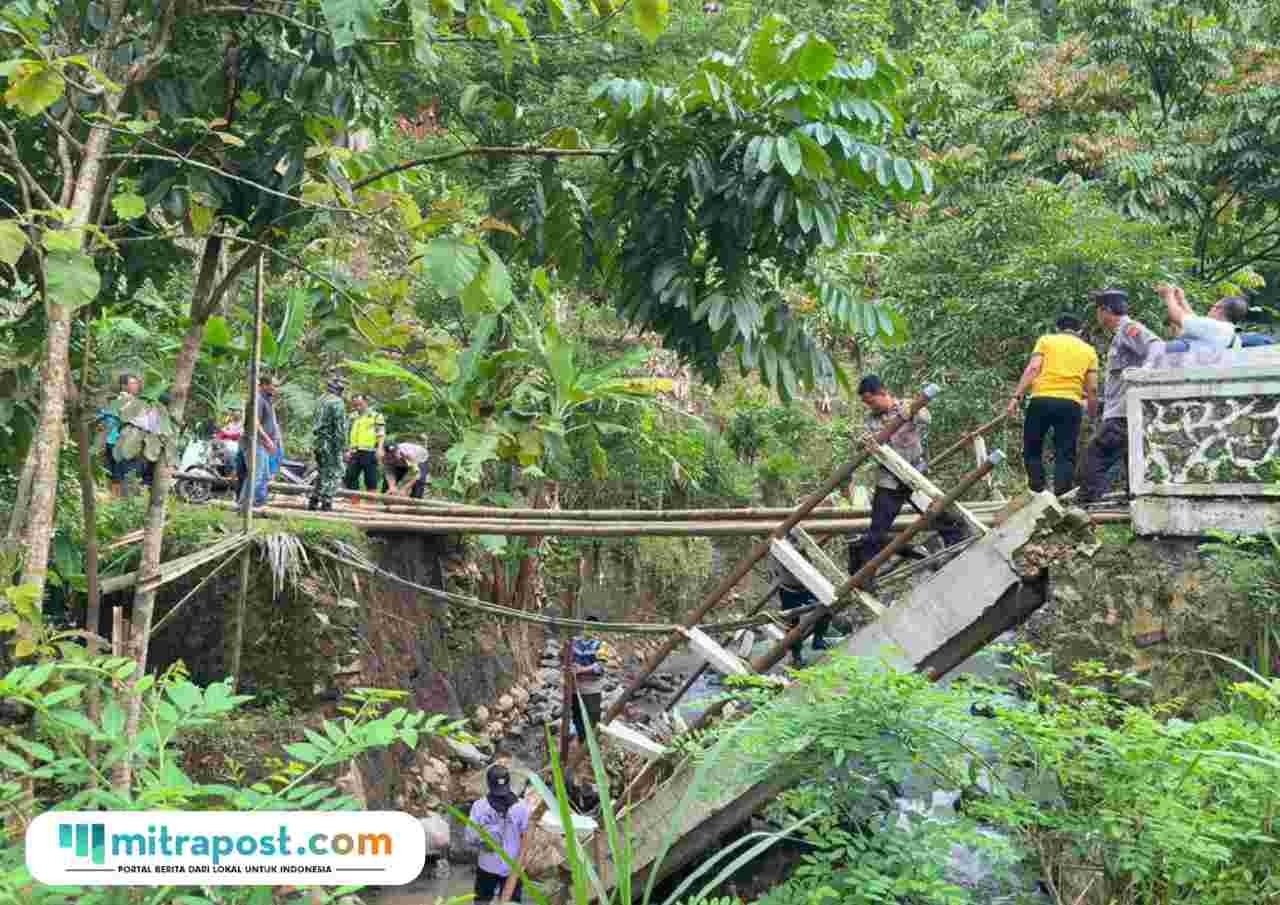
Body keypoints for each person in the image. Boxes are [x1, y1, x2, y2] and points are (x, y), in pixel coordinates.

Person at [847, 375, 968, 584]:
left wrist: (912, 411)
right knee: (877, 530)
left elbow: (926, 418)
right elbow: (865, 440)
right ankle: (864, 576)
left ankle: (960, 553)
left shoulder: (907, 406)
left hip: (914, 476)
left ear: (883, 392)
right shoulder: (871, 419)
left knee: (942, 517)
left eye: (871, 401)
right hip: (890, 480)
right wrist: (866, 442)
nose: (870, 406)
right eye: (866, 403)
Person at [1080, 289, 1160, 503]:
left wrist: (1147, 370)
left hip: (1122, 412)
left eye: (1098, 311)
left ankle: (1086, 503)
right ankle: (1133, 499)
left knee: (1094, 456)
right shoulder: (1120, 334)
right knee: (1130, 458)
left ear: (1105, 310)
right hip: (1120, 409)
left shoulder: (1129, 328)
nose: (1097, 317)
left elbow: (1156, 345)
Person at [1006, 313, 1100, 495]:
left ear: (1057, 329)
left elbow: (1033, 368)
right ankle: (1061, 495)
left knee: (1032, 446)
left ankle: (1037, 490)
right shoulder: (1088, 350)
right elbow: (1093, 388)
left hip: (1041, 399)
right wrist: (1092, 411)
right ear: (1080, 331)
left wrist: (1016, 397)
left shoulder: (1046, 341)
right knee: (1065, 452)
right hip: (1070, 404)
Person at [465, 765, 531, 904]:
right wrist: (483, 843)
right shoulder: (521, 806)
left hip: (507, 869)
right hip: (497, 867)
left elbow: (470, 837)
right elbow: (471, 836)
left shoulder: (480, 806)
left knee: (484, 902)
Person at [768, 536, 830, 667]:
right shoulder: (776, 551)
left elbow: (812, 559)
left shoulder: (802, 545)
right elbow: (776, 573)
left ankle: (818, 640)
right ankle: (797, 657)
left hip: (807, 585)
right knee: (792, 624)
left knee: (826, 610)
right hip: (788, 589)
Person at [1158, 285, 1246, 361]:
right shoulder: (1232, 335)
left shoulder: (1215, 327)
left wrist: (1168, 295)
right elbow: (1196, 322)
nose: (1210, 309)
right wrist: (1181, 300)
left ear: (1219, 309)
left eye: (1213, 306)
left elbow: (1177, 316)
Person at [237, 372, 281, 509]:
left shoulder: (267, 400)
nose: (276, 388)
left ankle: (253, 503)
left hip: (262, 444)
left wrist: (275, 440)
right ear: (264, 385)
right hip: (254, 442)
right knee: (256, 476)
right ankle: (243, 505)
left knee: (264, 476)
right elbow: (255, 423)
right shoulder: (257, 399)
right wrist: (268, 440)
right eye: (273, 386)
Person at [570, 617, 615, 749]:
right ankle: (581, 741)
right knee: (577, 714)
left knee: (592, 714)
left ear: (596, 629)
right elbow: (566, 658)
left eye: (592, 627)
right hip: (575, 686)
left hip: (592, 687)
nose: (589, 629)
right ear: (583, 627)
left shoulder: (602, 645)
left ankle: (592, 744)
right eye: (587, 626)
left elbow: (599, 666)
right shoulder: (574, 642)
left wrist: (581, 669)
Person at [98, 373, 141, 497]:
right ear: (124, 386)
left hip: (113, 441)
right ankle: (114, 499)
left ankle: (113, 498)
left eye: (136, 383)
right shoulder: (125, 401)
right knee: (117, 474)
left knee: (115, 474)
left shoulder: (121, 400)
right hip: (117, 442)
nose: (136, 386)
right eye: (133, 383)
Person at [309, 376, 347, 512]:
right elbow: (339, 427)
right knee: (335, 471)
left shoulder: (320, 400)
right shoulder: (337, 402)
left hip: (318, 442)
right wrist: (343, 447)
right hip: (330, 444)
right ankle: (327, 502)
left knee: (322, 472)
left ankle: (314, 500)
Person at [344, 395, 385, 505]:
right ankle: (355, 502)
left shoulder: (376, 416)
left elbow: (380, 433)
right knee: (350, 476)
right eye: (355, 405)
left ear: (366, 402)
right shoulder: (352, 417)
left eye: (360, 404)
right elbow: (348, 434)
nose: (358, 407)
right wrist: (347, 450)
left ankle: (371, 505)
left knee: (371, 478)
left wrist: (380, 448)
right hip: (354, 451)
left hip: (370, 451)